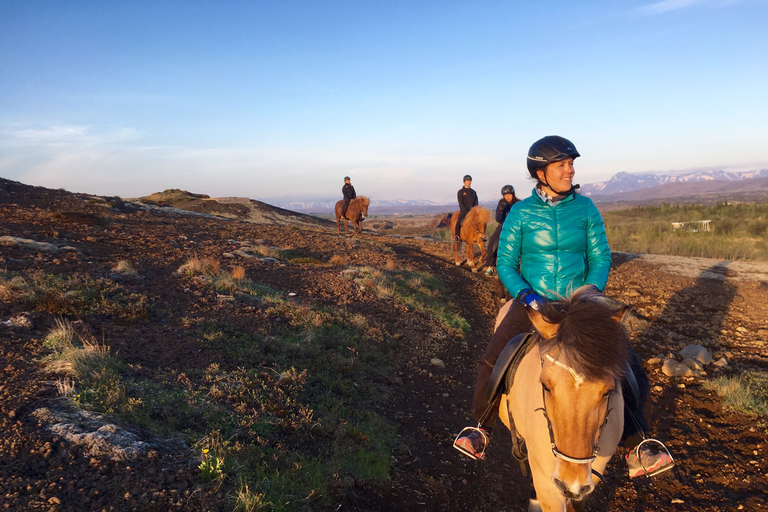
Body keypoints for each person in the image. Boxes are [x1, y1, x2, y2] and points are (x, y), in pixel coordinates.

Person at [453, 135, 673, 479]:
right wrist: (526, 297)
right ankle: (480, 428)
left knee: (627, 362)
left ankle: (640, 443)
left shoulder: (586, 209)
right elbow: (507, 263)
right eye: (562, 164)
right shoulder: (521, 213)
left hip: (581, 303)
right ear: (541, 172)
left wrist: (591, 291)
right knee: (495, 355)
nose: (570, 170)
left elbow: (600, 256)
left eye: (571, 164)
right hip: (533, 300)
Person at [483, 185, 519, 277]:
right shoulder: (501, 203)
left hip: (516, 226)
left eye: (509, 195)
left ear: (513, 194)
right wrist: (500, 210)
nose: (507, 197)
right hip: (503, 225)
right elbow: (498, 220)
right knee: (492, 242)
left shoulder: (518, 203)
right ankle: (490, 266)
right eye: (505, 195)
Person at [454, 175, 478, 241]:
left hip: (472, 211)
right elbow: (460, 203)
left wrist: (473, 211)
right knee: (458, 222)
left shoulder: (473, 192)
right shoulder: (460, 192)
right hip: (464, 211)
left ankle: (481, 236)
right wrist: (466, 211)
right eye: (467, 181)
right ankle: (456, 235)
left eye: (469, 181)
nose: (468, 182)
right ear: (464, 182)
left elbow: (476, 202)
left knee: (480, 221)